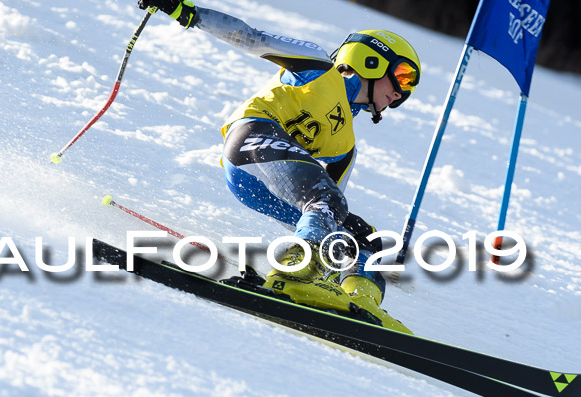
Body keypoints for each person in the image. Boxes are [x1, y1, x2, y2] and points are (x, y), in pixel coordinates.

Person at [136, 0, 420, 327]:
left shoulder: (345, 145)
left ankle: (360, 305)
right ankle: (292, 274)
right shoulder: (318, 68)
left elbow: (328, 213)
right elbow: (251, 38)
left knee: (362, 236)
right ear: (370, 60)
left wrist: (337, 251)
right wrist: (188, 14)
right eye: (403, 75)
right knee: (328, 200)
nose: (402, 93)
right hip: (250, 142)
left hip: (270, 185)